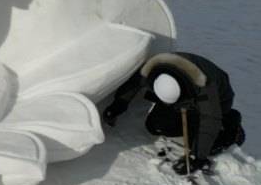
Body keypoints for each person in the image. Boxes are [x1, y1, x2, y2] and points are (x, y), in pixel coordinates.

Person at [103, 51, 244, 173]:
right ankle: (189, 118)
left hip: (218, 101)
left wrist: (197, 157)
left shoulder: (205, 86)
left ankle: (231, 124)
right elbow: (133, 84)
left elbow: (210, 118)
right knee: (156, 126)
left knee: (201, 143)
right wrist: (117, 106)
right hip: (181, 96)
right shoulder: (151, 69)